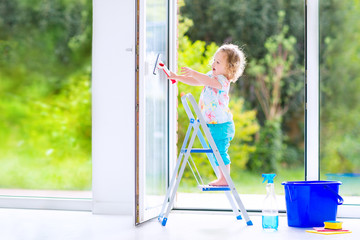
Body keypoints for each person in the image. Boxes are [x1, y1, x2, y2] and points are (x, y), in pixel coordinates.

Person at [168, 44, 246, 186]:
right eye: (214, 60)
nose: (213, 63)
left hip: (222, 125)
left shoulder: (222, 81)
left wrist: (194, 72)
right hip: (214, 124)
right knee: (217, 151)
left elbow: (207, 81)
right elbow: (197, 81)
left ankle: (225, 179)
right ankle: (222, 177)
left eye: (218, 62)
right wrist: (177, 77)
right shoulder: (211, 76)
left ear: (229, 68)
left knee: (220, 151)